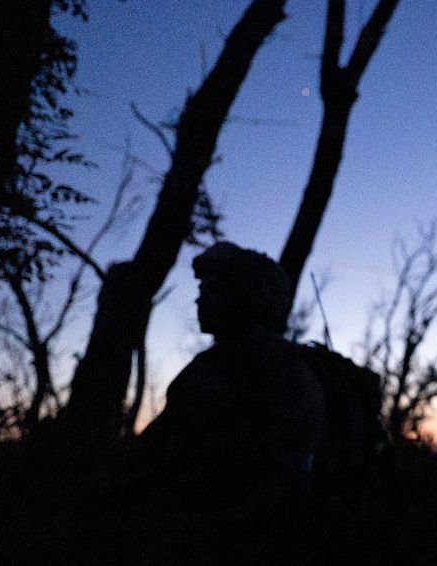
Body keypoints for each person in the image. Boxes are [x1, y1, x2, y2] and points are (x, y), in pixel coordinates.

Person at [133, 241, 326, 562]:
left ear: (249, 297)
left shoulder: (284, 370)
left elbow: (292, 480)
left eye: (216, 288)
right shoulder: (204, 368)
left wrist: (213, 526)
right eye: (203, 288)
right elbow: (153, 451)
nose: (200, 298)